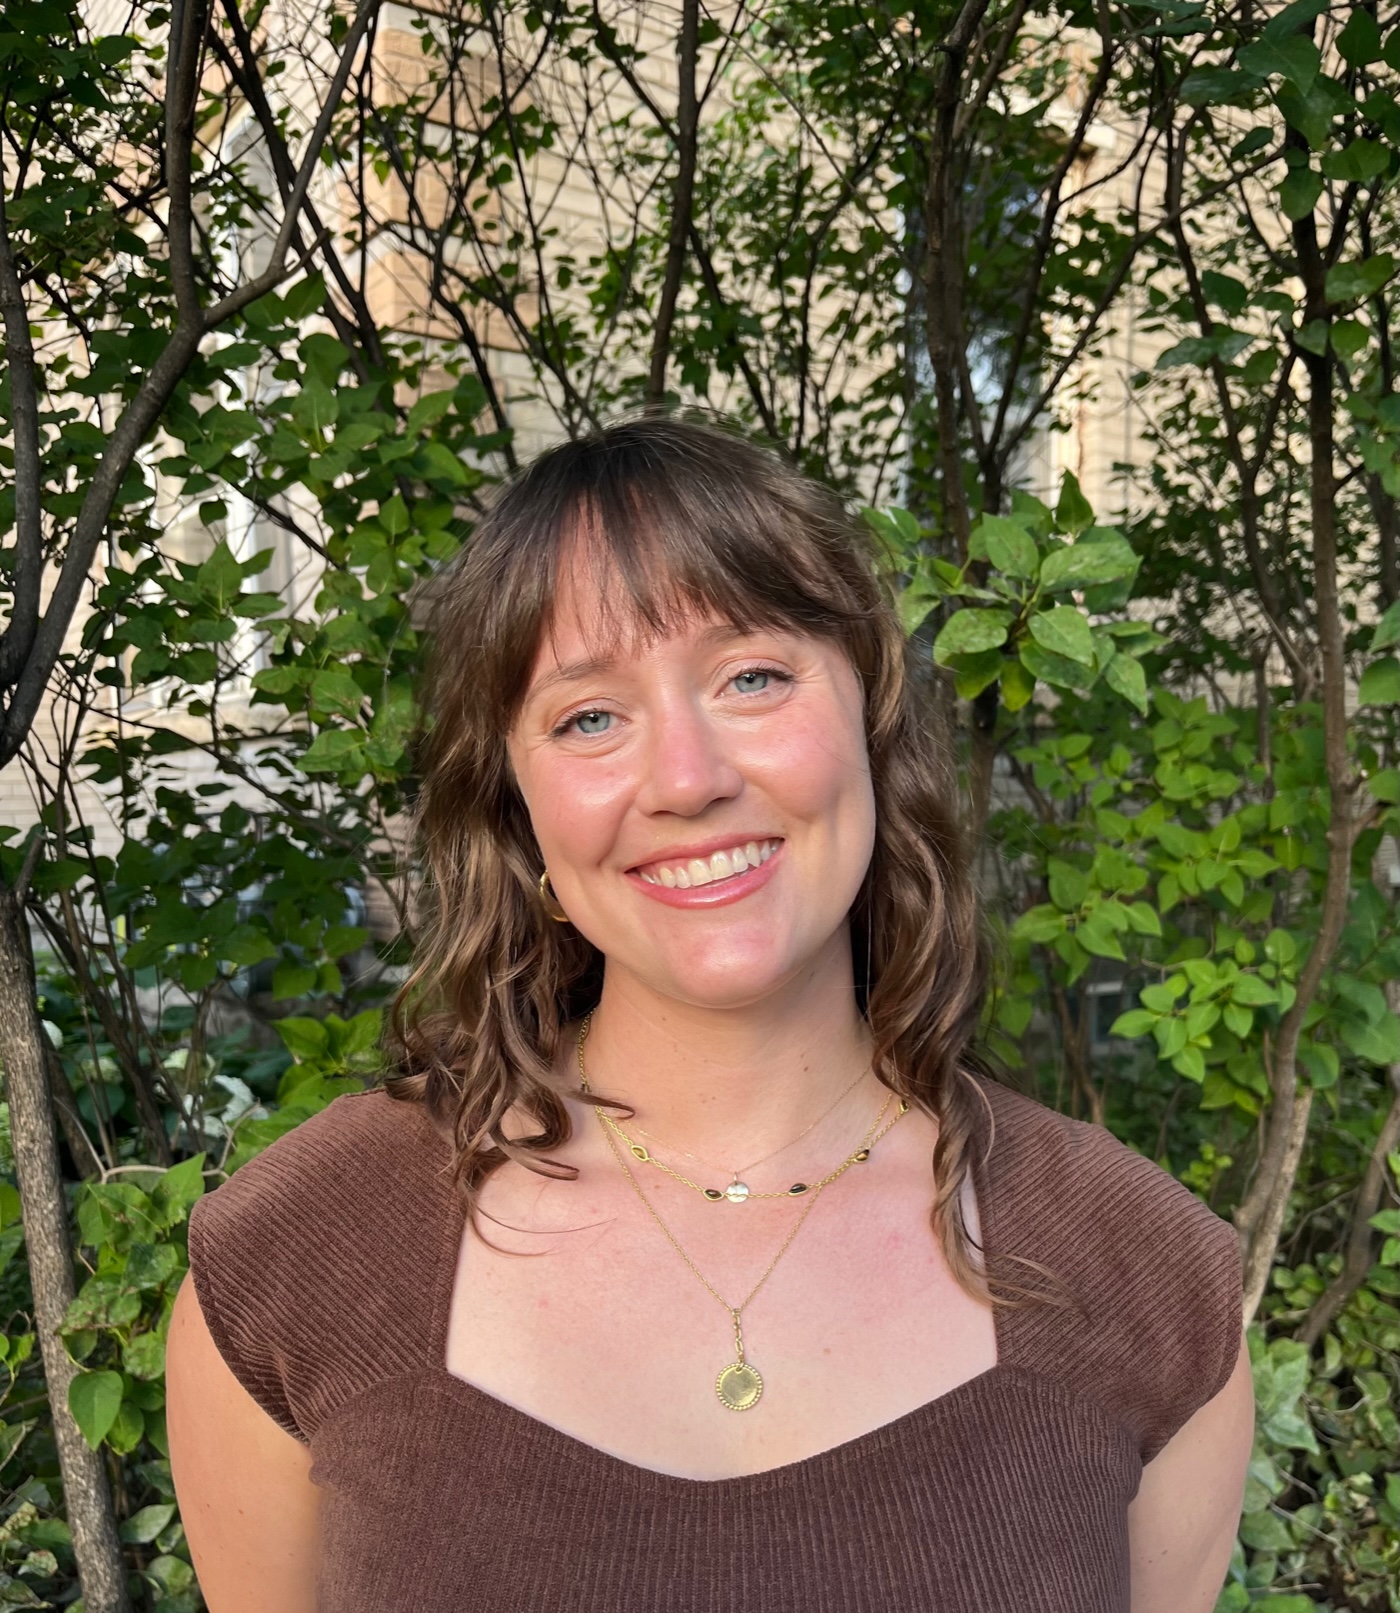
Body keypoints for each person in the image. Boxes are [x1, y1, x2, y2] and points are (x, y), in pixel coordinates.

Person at [166, 416, 1252, 1613]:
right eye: (588, 715)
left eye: (751, 676)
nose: (686, 777)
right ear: (518, 813)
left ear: (871, 727)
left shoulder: (1147, 1280)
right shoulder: (295, 1260)